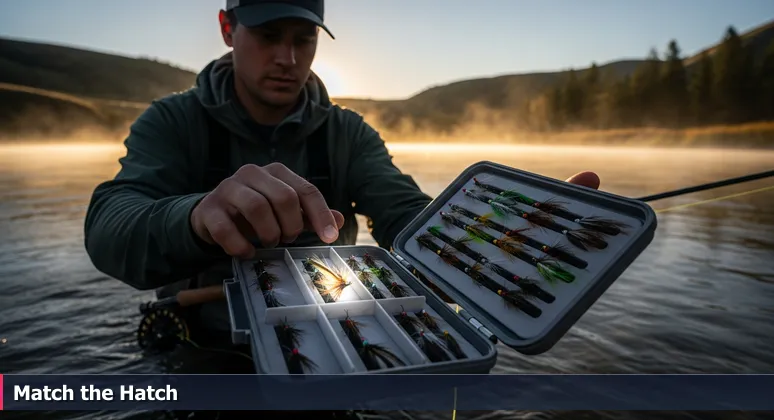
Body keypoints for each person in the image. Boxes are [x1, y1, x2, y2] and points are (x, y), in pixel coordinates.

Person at [83, 0, 600, 418]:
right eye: (268, 35)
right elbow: (111, 227)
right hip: (203, 349)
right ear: (227, 27)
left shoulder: (348, 133)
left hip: (339, 357)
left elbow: (407, 216)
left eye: (303, 38)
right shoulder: (171, 122)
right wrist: (196, 216)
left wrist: (507, 232)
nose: (287, 57)